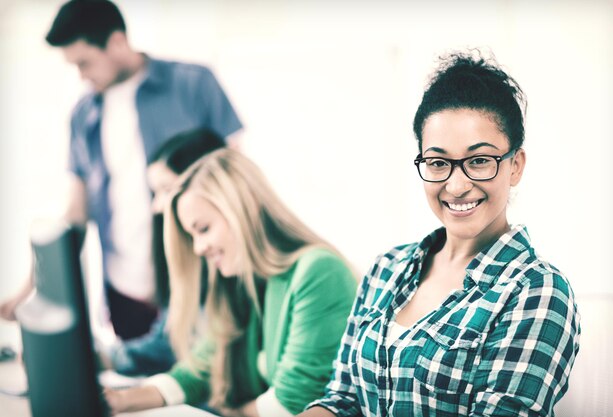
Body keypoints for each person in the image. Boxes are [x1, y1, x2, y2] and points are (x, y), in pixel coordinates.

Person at [300, 51, 581, 416]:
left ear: (515, 166)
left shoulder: (537, 291)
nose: (457, 184)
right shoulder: (387, 268)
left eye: (480, 160)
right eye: (438, 162)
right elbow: (343, 399)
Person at [0, 0, 242, 340]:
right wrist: (29, 287)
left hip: (200, 282)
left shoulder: (194, 84)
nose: (82, 76)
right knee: (130, 383)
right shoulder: (83, 114)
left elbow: (238, 179)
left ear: (116, 41)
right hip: (125, 294)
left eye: (84, 62)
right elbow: (75, 213)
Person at [105, 149, 358, 417]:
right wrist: (120, 401)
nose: (199, 249)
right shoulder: (243, 283)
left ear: (242, 209)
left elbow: (291, 403)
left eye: (203, 229)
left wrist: (229, 412)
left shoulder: (319, 271)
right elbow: (199, 369)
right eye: (193, 236)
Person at [98, 127, 224, 376]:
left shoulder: (227, 263)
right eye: (154, 193)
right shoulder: (191, 262)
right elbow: (165, 344)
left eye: (166, 190)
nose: (157, 206)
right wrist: (100, 357)